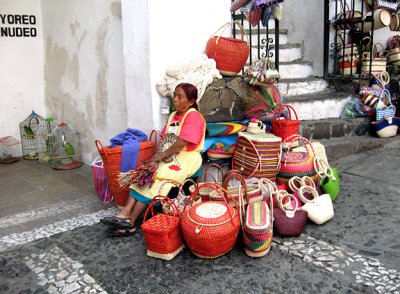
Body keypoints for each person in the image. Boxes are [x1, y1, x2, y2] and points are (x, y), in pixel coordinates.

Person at [101, 83, 206, 236]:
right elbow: (164, 140)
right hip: (169, 156)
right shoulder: (172, 116)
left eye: (179, 97)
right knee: (145, 173)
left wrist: (161, 157)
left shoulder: (194, 116)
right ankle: (125, 213)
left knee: (157, 178)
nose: (175, 100)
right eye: (174, 96)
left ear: (191, 101)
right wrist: (155, 160)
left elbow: (181, 142)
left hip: (186, 159)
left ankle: (130, 220)